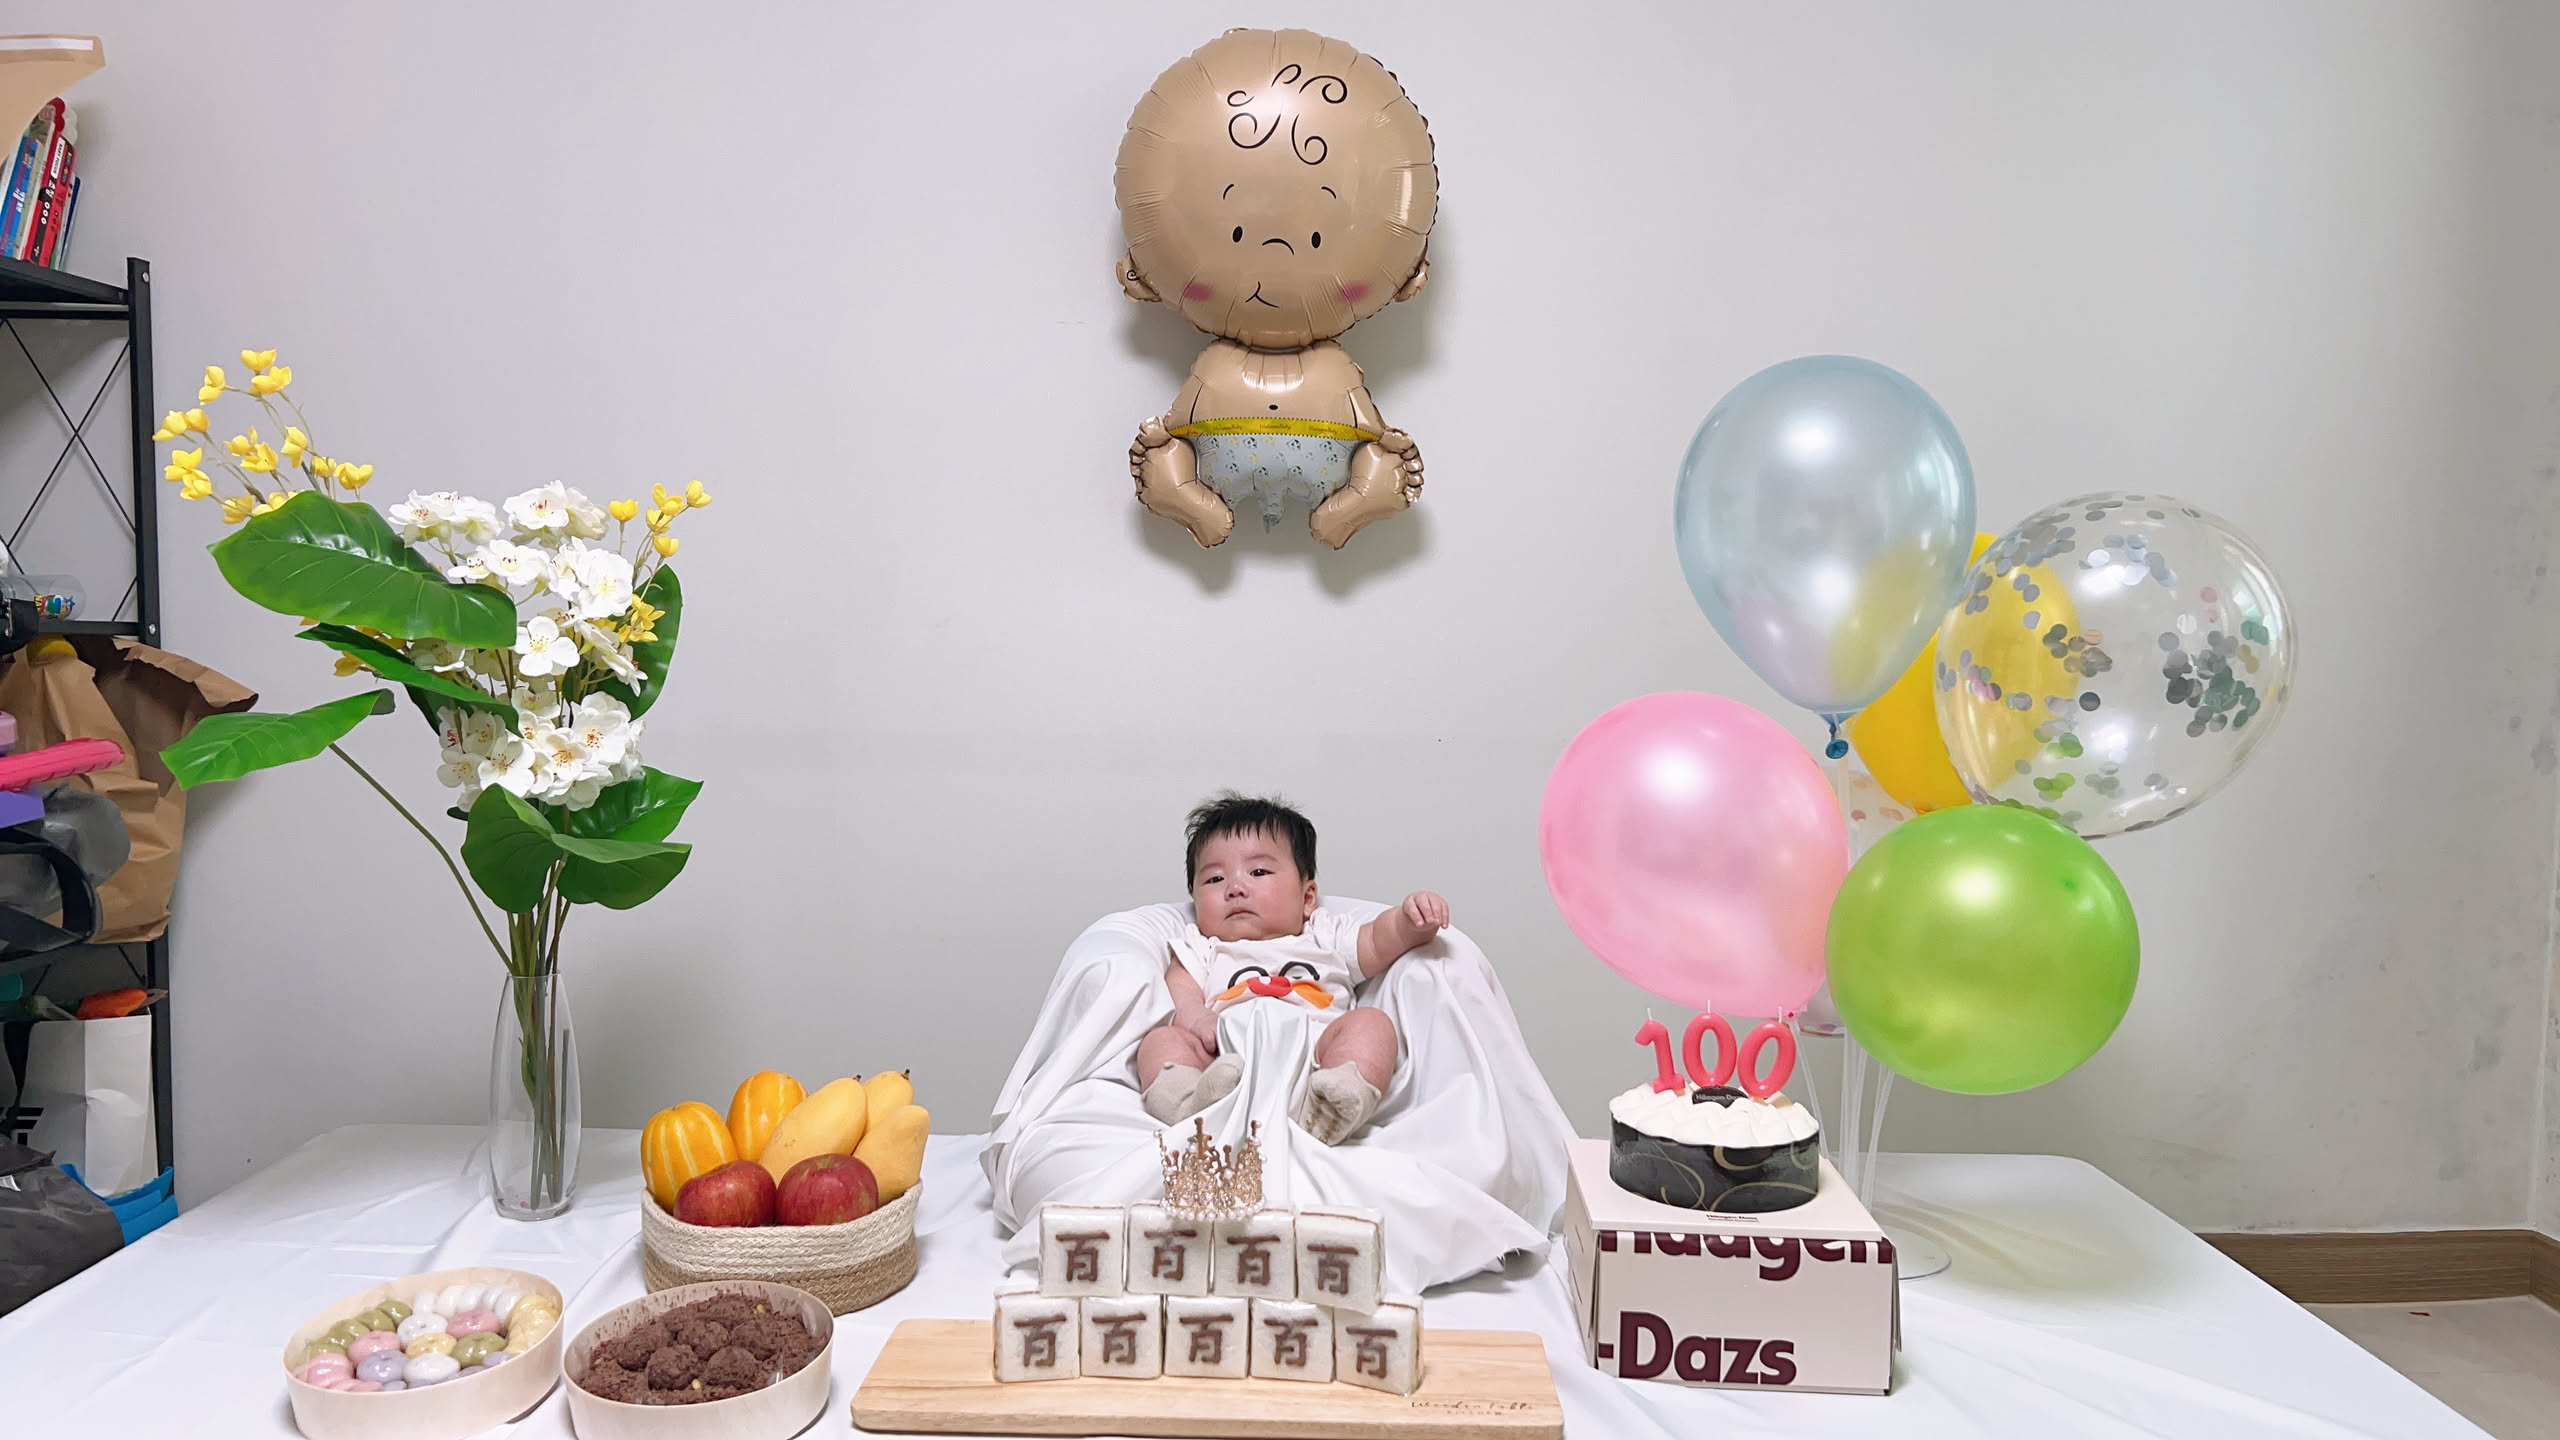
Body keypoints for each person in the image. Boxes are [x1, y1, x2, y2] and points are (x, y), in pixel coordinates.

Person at [1135, 793, 1448, 1145]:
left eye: (1258, 872)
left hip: (1315, 1060)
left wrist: (1409, 921)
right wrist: (1197, 1020)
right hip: (1224, 1060)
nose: (1235, 888)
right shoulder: (1203, 946)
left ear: (1307, 897)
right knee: (1159, 1041)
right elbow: (1181, 990)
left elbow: (1377, 941)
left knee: (1372, 1024)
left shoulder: (1324, 934)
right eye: (1215, 879)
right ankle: (1193, 1109)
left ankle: (1332, 1106)